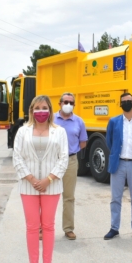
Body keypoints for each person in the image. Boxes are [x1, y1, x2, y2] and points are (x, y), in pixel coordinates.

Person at [13, 95, 68, 263]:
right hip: (28, 186)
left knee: (48, 226)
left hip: (51, 187)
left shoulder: (59, 132)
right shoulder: (22, 131)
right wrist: (32, 179)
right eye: (37, 108)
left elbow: (63, 159)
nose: (41, 111)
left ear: (51, 110)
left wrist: (48, 179)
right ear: (31, 110)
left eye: (44, 107)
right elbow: (17, 157)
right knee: (32, 227)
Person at [104, 93, 132, 240]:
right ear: (120, 104)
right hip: (119, 163)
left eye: (129, 101)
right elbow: (109, 141)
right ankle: (114, 228)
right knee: (115, 198)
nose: (127, 103)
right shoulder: (114, 121)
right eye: (124, 101)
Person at [54, 92, 87, 240]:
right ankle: (43, 228)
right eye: (65, 102)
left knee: (68, 197)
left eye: (71, 103)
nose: (68, 105)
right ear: (60, 103)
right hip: (52, 161)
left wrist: (70, 151)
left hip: (70, 161)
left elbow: (83, 142)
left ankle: (68, 229)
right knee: (47, 196)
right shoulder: (51, 119)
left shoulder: (79, 121)